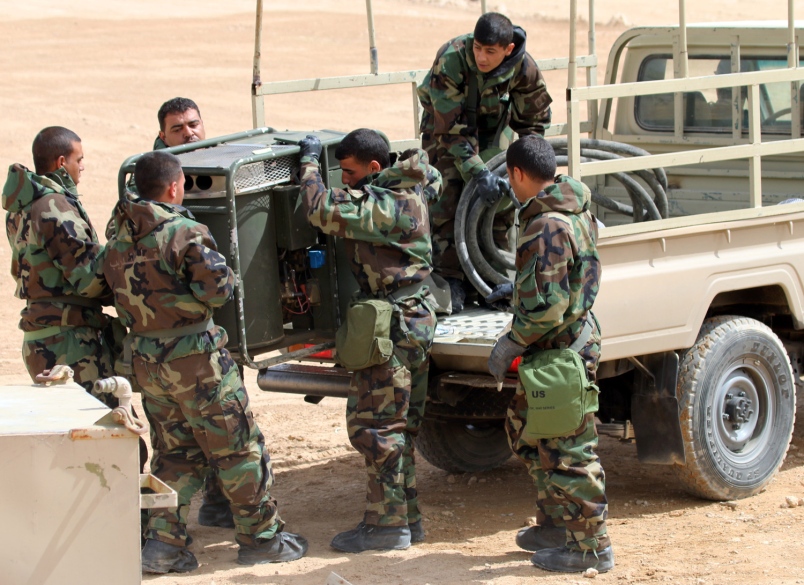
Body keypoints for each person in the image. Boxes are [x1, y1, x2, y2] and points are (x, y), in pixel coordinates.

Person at [102, 150, 307, 573]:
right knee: (237, 447)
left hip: (147, 363)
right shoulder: (183, 231)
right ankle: (261, 538)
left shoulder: (119, 238)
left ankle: (163, 544)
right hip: (196, 361)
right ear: (175, 187)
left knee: (173, 454)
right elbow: (216, 291)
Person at [297, 129, 441, 552]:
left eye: (349, 172)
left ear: (374, 169)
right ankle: (406, 519)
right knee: (400, 428)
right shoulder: (408, 187)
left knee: (377, 428)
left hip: (393, 324)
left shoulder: (385, 203)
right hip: (411, 317)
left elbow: (319, 209)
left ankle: (385, 525)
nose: (343, 180)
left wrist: (309, 165)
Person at [486, 136, 613, 573]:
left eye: (508, 176)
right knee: (525, 432)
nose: (509, 184)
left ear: (518, 174)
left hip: (560, 350)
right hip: (560, 345)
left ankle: (591, 547)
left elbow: (547, 307)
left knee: (570, 451)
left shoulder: (548, 224)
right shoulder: (574, 212)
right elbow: (562, 284)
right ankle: (557, 524)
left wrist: (510, 343)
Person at [417, 11, 552, 312]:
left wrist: (521, 165)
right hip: (446, 127)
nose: (481, 56)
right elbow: (452, 131)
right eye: (477, 47)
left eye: (490, 51)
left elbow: (534, 122)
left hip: (494, 127)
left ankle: (492, 278)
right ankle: (451, 278)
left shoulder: (524, 67)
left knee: (503, 196)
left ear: (508, 49)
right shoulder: (451, 58)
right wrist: (478, 173)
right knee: (448, 195)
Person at [152, 96, 232, 530]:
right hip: (175, 329)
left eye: (194, 124)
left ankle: (218, 503)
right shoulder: (146, 177)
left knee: (218, 421)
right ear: (163, 135)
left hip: (209, 325)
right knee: (182, 431)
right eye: (178, 129)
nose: (189, 133)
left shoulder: (217, 163)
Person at [2, 126, 116, 405]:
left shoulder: (24, 206)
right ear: (62, 162)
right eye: (79, 160)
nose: (83, 167)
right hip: (70, 343)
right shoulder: (54, 206)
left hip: (44, 339)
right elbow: (88, 279)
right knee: (111, 432)